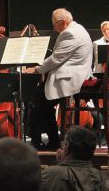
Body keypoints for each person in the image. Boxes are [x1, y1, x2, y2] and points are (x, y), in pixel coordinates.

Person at [24, 8, 93, 150]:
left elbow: (56, 58)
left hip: (70, 78)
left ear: (63, 22)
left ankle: (38, 143)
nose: (54, 28)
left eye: (55, 24)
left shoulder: (70, 33)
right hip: (75, 75)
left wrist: (36, 69)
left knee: (35, 101)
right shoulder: (79, 29)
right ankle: (52, 141)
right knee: (41, 102)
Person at [40, 126, 105, 191]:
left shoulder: (49, 174)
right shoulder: (101, 177)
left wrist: (58, 165)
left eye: (63, 144)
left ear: (67, 147)